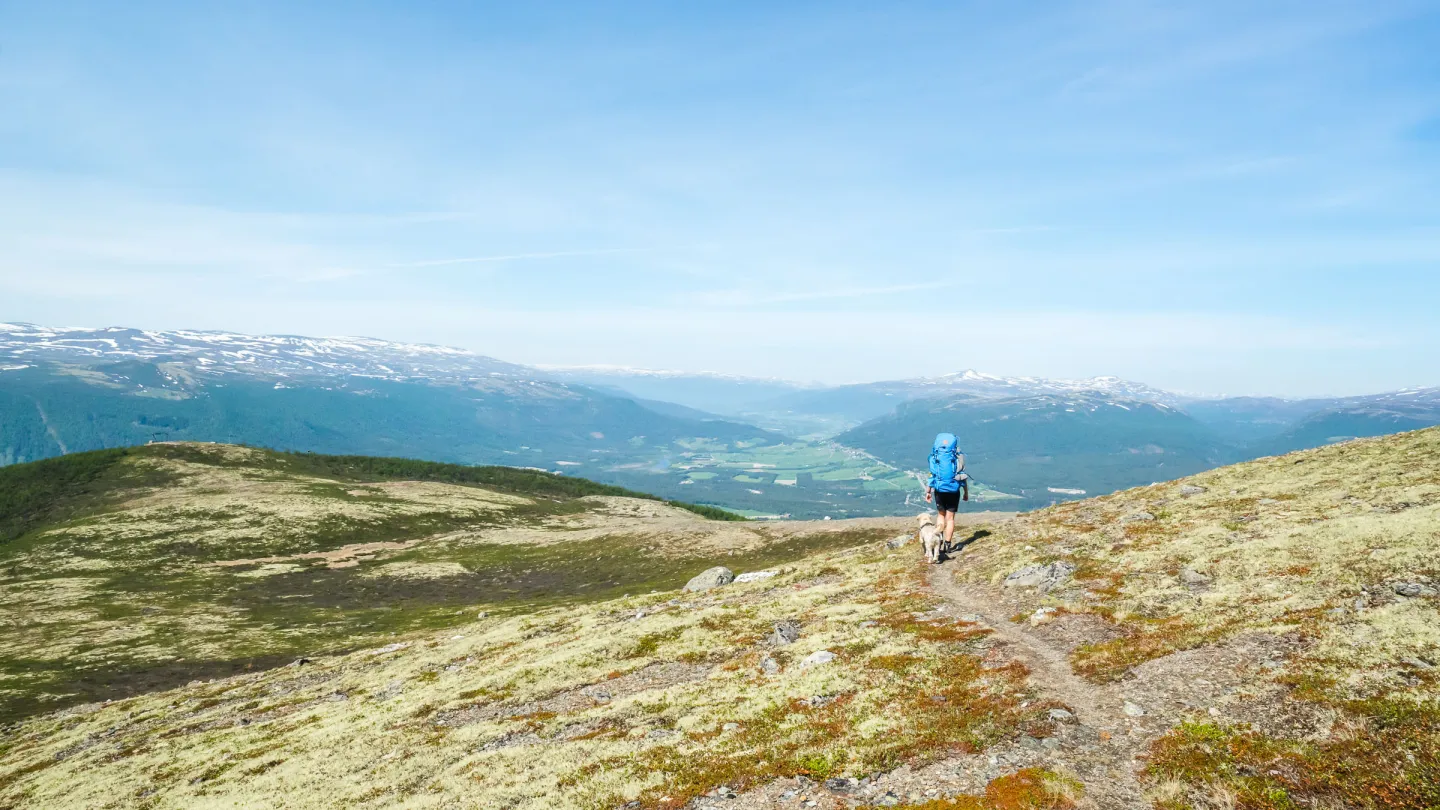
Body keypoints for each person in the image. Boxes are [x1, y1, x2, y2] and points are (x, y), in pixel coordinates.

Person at [924, 432, 966, 555]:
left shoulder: (934, 457)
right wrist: (965, 492)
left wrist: (928, 491)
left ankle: (939, 541)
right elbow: (962, 475)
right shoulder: (958, 456)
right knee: (950, 518)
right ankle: (948, 544)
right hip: (954, 490)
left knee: (941, 515)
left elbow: (932, 475)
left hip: (939, 490)